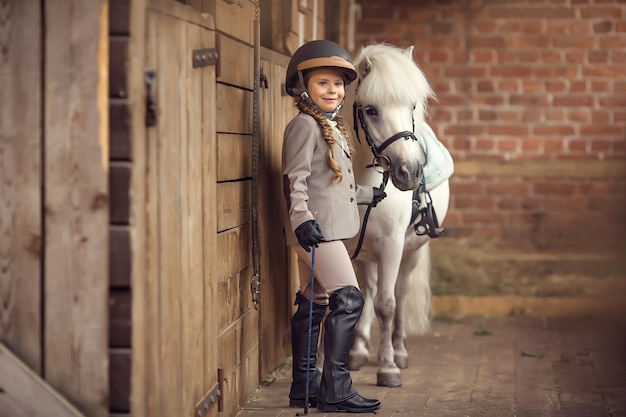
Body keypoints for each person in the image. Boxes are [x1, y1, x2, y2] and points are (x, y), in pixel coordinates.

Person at [282, 40, 385, 413]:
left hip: (322, 227)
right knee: (350, 298)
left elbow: (330, 184)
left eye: (338, 84)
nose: (333, 90)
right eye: (323, 83)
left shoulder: (329, 126)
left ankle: (305, 386)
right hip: (315, 231)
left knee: (315, 303)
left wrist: (365, 193)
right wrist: (301, 219)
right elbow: (295, 179)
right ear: (303, 86)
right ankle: (336, 388)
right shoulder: (305, 126)